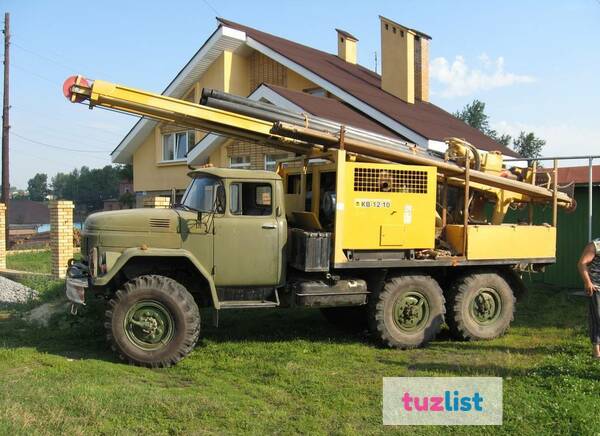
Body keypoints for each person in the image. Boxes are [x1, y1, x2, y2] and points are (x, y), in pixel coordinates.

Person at [577, 238, 600, 359]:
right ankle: (597, 351)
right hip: (597, 288)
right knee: (597, 318)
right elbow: (582, 263)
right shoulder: (596, 245)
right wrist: (588, 283)